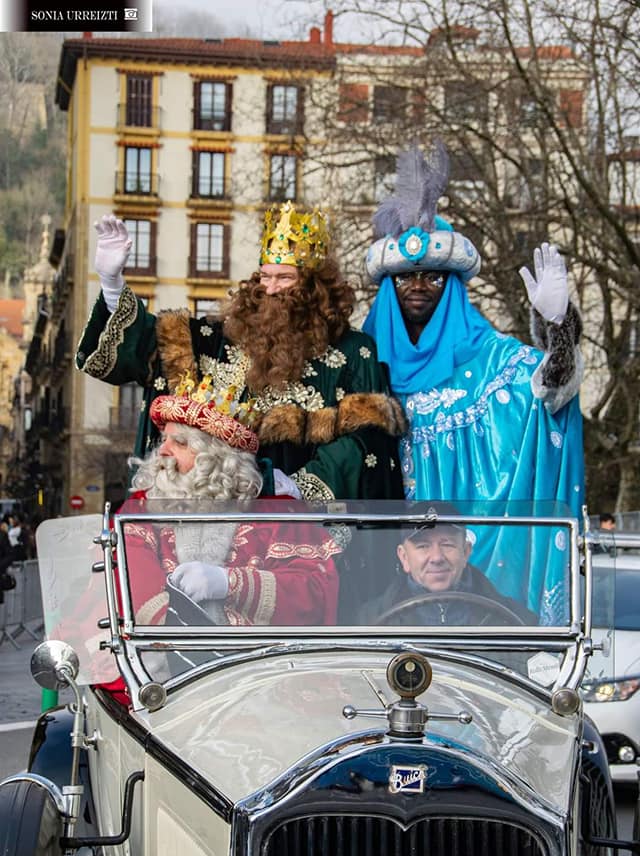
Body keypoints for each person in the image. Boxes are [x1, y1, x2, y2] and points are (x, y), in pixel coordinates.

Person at [362, 143, 585, 616]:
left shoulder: (493, 361)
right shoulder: (362, 364)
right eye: (405, 278)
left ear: (453, 285)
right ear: (387, 286)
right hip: (381, 579)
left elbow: (552, 391)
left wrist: (558, 326)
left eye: (433, 277)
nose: (418, 287)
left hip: (478, 586)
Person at [76, 203, 406, 502]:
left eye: (285, 278)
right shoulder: (221, 338)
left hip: (294, 524)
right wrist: (112, 284)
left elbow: (367, 441)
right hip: (212, 510)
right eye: (265, 276)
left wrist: (294, 486)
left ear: (315, 286)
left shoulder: (353, 352)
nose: (271, 289)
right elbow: (155, 346)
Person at [99, 375, 343, 704]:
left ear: (216, 456)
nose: (163, 452)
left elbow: (314, 595)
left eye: (179, 443)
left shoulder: (279, 513)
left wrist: (231, 583)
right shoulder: (138, 511)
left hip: (265, 684)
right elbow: (125, 587)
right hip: (163, 687)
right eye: (164, 440)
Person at [363, 515, 536, 628]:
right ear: (404, 557)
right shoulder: (367, 621)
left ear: (466, 552)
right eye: (423, 546)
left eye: (447, 544)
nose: (437, 557)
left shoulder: (518, 621)